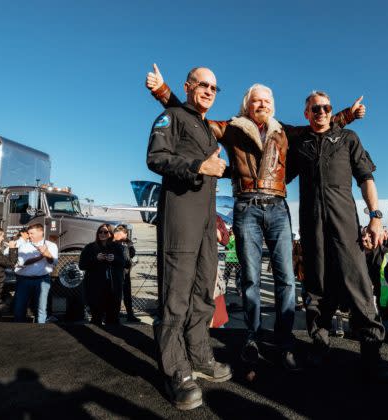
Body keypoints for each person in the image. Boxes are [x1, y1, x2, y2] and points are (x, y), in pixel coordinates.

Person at [146, 64, 364, 371]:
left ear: (273, 106)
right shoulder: (231, 127)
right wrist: (163, 92)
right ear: (246, 105)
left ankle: (285, 341)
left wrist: (348, 114)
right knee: (249, 278)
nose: (262, 104)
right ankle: (251, 337)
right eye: (256, 100)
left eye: (267, 100)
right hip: (246, 206)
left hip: (278, 207)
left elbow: (321, 122)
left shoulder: (284, 131)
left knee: (286, 279)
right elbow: (191, 118)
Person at [285, 90, 388, 381]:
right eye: (314, 108)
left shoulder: (348, 140)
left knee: (358, 283)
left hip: (344, 224)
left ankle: (372, 353)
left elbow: (366, 178)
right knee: (316, 287)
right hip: (311, 225)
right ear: (307, 113)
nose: (321, 112)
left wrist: (376, 217)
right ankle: (320, 345)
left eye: (325, 107)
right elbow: (279, 176)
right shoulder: (299, 144)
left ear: (331, 111)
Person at [146, 66, 231, 410]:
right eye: (203, 85)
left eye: (214, 86)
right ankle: (176, 370)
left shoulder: (209, 130)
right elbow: (156, 158)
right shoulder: (171, 117)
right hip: (180, 219)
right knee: (176, 294)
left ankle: (199, 356)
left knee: (202, 293)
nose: (209, 90)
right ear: (188, 86)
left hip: (206, 224)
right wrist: (199, 166)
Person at [80, 224, 126, 325]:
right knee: (96, 318)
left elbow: (124, 263)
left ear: (110, 234)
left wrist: (114, 259)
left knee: (113, 319)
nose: (102, 234)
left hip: (113, 288)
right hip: (96, 288)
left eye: (105, 232)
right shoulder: (90, 247)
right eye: (100, 232)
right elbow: (82, 265)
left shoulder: (117, 247)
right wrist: (95, 259)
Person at [13, 223, 58, 323]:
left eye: (32, 233)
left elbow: (53, 262)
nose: (29, 236)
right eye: (29, 233)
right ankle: (17, 331)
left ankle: (40, 332)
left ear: (41, 232)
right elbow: (23, 262)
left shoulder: (51, 245)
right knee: (19, 308)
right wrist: (40, 257)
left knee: (41, 309)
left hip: (42, 280)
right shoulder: (23, 246)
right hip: (23, 280)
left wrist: (46, 253)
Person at [362, 229, 388, 332]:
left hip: (383, 298)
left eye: (372, 236)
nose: (369, 239)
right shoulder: (359, 253)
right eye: (367, 236)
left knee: (386, 326)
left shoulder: (387, 253)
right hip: (365, 296)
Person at [113, 225, 139, 323]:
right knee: (115, 295)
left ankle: (130, 315)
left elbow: (132, 254)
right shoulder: (113, 243)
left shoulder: (127, 243)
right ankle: (114, 315)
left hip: (125, 272)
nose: (118, 236)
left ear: (125, 234)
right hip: (115, 272)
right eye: (117, 234)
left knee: (127, 295)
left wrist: (129, 244)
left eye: (120, 234)